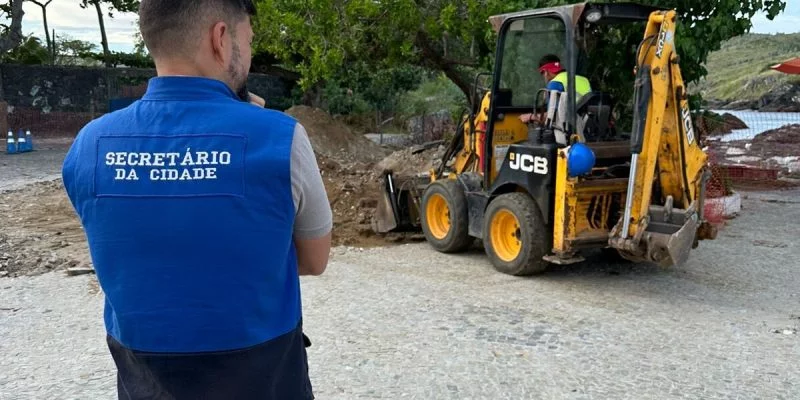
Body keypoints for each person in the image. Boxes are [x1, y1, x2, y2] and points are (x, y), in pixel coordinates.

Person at [60, 1, 332, 399]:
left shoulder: (89, 145)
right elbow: (313, 259)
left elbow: (124, 245)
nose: (251, 55)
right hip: (264, 373)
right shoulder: (281, 138)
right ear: (221, 39)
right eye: (248, 39)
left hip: (145, 379)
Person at [520, 54, 592, 124]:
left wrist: (530, 117)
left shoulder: (554, 83)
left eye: (542, 73)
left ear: (546, 72)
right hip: (588, 125)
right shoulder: (583, 79)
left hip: (573, 128)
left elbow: (552, 117)